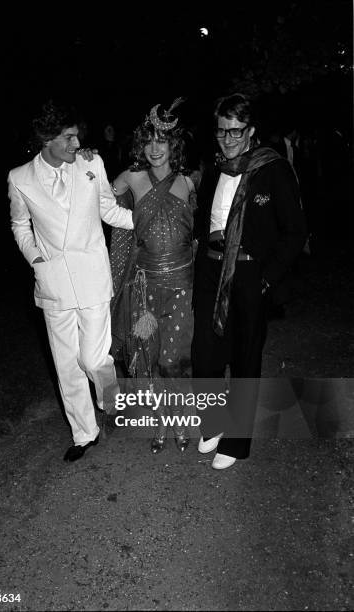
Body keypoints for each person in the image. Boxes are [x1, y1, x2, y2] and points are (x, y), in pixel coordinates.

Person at [8, 100, 133, 463]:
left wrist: (145, 223)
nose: (77, 145)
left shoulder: (92, 163)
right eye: (69, 138)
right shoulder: (19, 178)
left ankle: (110, 402)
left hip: (93, 276)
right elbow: (20, 225)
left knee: (94, 359)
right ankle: (84, 433)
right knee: (66, 365)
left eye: (78, 136)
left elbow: (107, 208)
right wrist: (35, 257)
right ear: (47, 140)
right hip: (54, 283)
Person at [192, 93, 307, 469]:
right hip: (211, 269)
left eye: (236, 131)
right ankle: (214, 423)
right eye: (222, 131)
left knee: (244, 357)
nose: (228, 138)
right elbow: (202, 220)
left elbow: (295, 232)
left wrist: (266, 279)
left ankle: (237, 443)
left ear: (251, 131)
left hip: (249, 274)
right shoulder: (213, 169)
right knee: (205, 353)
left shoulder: (272, 169)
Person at [109, 99, 199, 454]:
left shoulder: (189, 183)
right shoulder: (131, 177)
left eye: (162, 141)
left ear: (173, 144)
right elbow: (97, 197)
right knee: (149, 358)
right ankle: (162, 420)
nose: (155, 148)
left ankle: (178, 418)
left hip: (182, 287)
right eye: (148, 141)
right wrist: (85, 161)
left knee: (172, 359)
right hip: (145, 287)